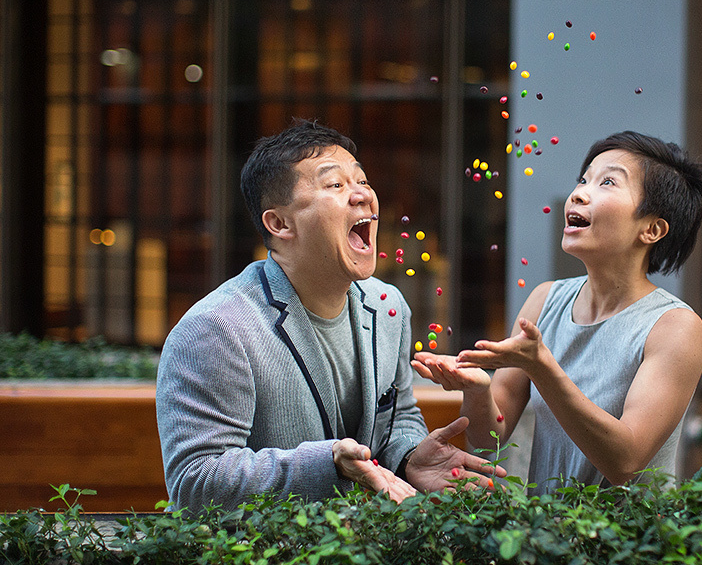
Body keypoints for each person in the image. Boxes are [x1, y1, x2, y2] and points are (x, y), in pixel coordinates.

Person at [156, 119, 502, 512]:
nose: (363, 196)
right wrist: (328, 463)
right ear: (279, 223)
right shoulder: (217, 327)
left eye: (363, 181)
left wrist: (409, 459)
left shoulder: (387, 307)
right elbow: (195, 482)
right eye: (335, 185)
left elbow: (398, 417)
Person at [412, 131, 702, 495]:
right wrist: (478, 389)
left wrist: (543, 368)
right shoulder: (545, 299)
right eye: (583, 179)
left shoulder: (675, 327)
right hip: (547, 538)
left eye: (608, 182)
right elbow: (489, 438)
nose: (580, 192)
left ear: (651, 229)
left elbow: (626, 462)